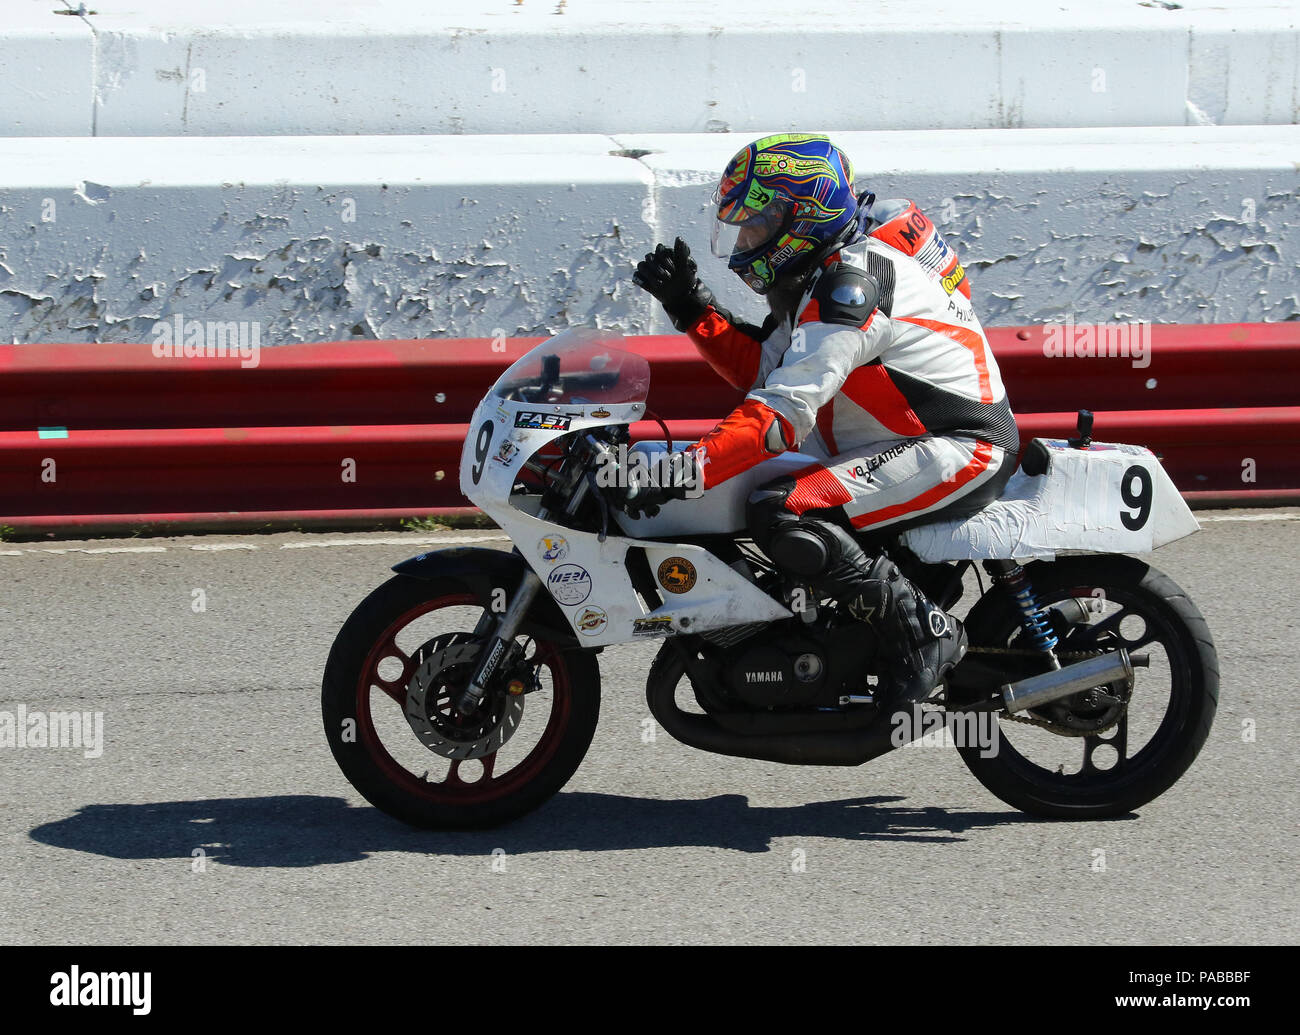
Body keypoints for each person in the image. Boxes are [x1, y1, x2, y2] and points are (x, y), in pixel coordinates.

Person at [629, 133, 1019, 704]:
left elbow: (782, 411)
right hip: (893, 442)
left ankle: (924, 636)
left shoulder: (851, 285)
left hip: (958, 446)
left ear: (801, 217)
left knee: (782, 509)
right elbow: (767, 368)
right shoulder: (819, 275)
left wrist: (685, 472)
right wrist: (693, 309)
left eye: (755, 224)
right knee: (755, 488)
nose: (743, 241)